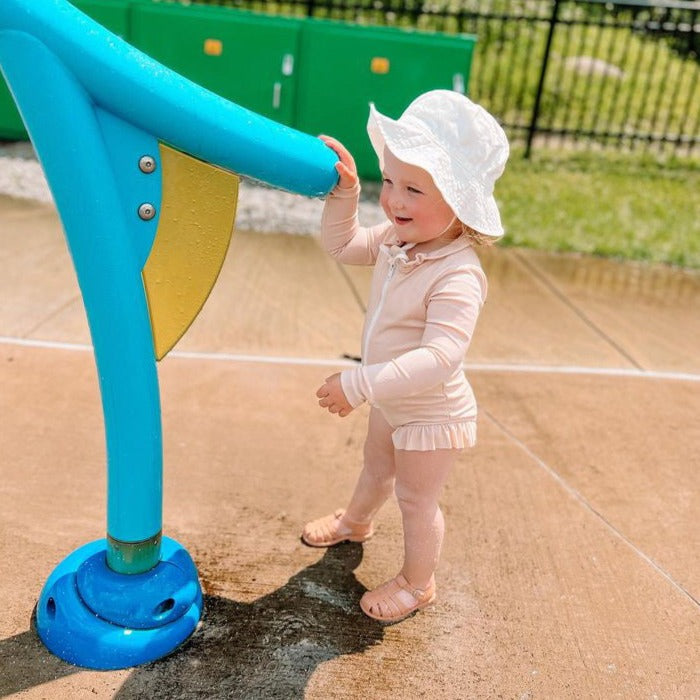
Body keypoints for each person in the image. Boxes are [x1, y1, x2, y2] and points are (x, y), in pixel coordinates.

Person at [301, 90, 509, 624]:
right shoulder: (399, 240)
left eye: (414, 188)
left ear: (460, 202)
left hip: (431, 416)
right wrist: (346, 195)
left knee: (416, 502)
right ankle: (355, 522)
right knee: (375, 468)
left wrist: (360, 383)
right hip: (392, 398)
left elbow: (441, 357)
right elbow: (343, 247)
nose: (394, 199)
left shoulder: (458, 274)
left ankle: (418, 584)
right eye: (389, 180)